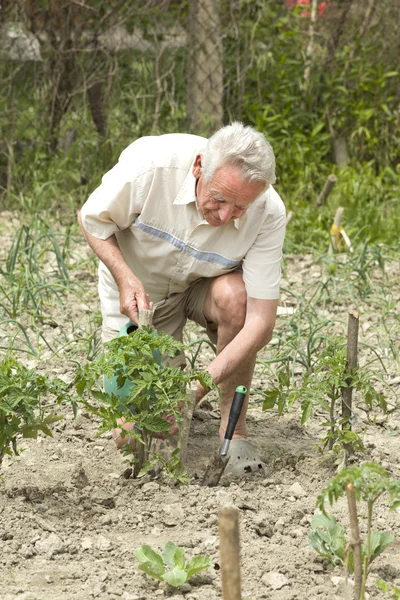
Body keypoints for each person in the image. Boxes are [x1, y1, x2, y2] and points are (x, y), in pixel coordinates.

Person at [78, 122, 286, 475]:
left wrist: (197, 387)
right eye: (219, 199)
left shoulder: (268, 211)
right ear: (198, 166)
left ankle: (232, 432)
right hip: (139, 297)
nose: (224, 217)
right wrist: (125, 277)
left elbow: (261, 323)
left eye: (239, 209)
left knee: (238, 299)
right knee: (132, 435)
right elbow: (91, 219)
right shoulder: (151, 166)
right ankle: (152, 397)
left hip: (202, 286)